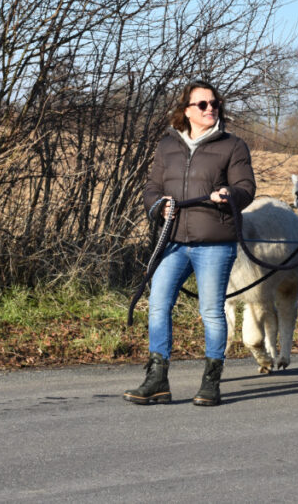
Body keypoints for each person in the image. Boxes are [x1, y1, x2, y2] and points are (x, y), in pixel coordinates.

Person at [124, 80, 256, 406]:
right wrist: (159, 206)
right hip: (173, 241)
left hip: (214, 243)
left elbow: (246, 187)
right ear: (187, 110)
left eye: (214, 103)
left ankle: (211, 382)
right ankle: (157, 379)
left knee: (211, 311)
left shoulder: (232, 146)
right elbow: (151, 188)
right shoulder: (167, 146)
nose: (210, 108)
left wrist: (230, 194)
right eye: (202, 104)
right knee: (158, 304)